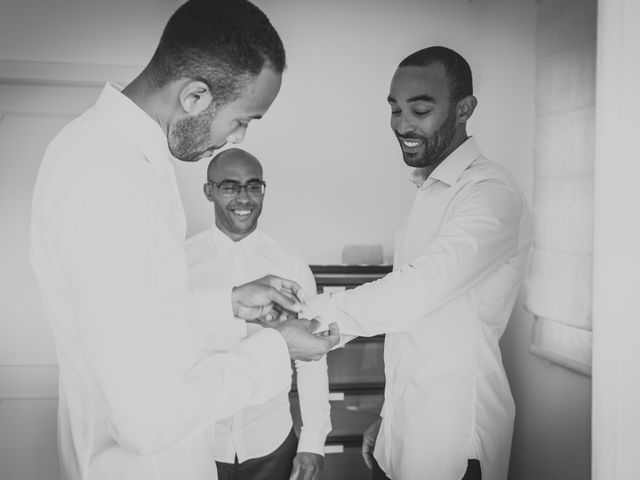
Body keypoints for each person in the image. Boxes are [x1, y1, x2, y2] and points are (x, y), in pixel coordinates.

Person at [29, 1, 338, 480]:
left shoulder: (132, 163)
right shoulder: (108, 182)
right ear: (195, 96)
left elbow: (144, 321)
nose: (237, 138)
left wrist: (228, 304)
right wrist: (276, 348)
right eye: (243, 119)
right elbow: (145, 421)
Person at [302, 46, 532, 480]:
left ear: (464, 109)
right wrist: (391, 417)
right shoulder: (431, 191)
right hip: (401, 437)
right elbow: (418, 332)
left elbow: (417, 291)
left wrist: (317, 316)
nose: (403, 125)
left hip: (451, 446)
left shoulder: (491, 194)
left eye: (420, 109)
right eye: (395, 109)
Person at [185, 148, 330, 480]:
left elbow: (312, 357)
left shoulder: (290, 264)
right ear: (209, 191)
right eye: (230, 186)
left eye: (253, 186)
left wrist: (313, 442)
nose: (244, 197)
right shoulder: (180, 264)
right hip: (197, 446)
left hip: (272, 443)